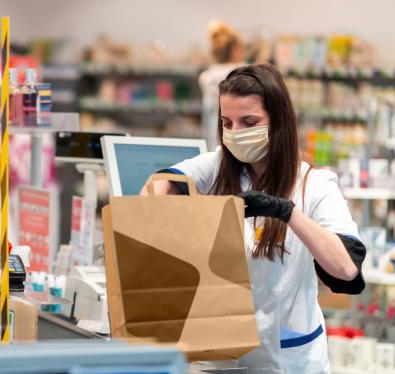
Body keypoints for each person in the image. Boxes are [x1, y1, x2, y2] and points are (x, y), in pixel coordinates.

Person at [144, 64, 366, 373]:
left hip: (286, 360)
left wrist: (286, 212)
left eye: (249, 122)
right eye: (227, 123)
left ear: (279, 122)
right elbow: (158, 185)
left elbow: (345, 269)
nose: (235, 133)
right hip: (221, 359)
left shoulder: (315, 184)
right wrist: (166, 203)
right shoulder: (219, 166)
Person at [199, 20, 246, 151]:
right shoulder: (244, 74)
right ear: (235, 50)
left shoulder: (206, 77)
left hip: (210, 146)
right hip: (236, 148)